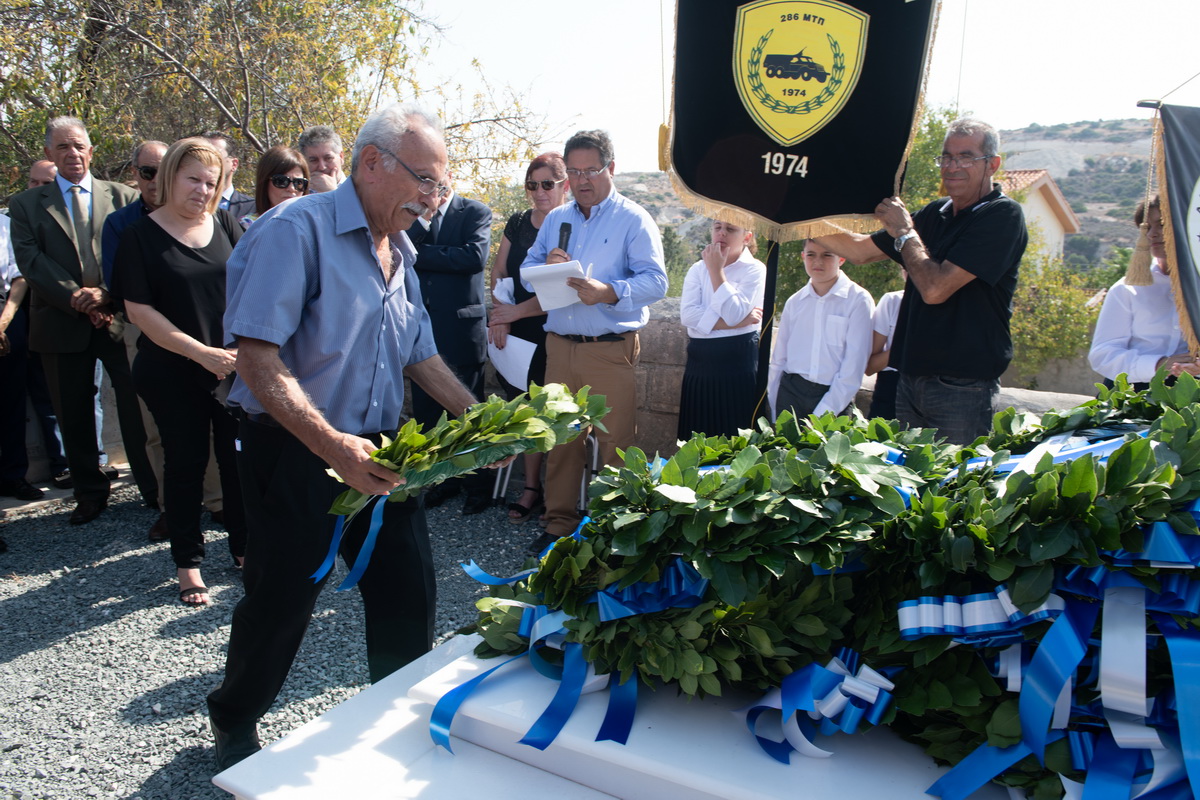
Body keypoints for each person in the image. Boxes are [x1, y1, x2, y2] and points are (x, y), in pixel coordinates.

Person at [206, 102, 502, 771]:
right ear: (372, 164)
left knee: (408, 587)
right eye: (423, 182)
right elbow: (258, 359)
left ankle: (395, 713)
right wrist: (333, 445)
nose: (432, 199)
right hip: (296, 450)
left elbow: (420, 357)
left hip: (383, 450)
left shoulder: (403, 251)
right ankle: (233, 717)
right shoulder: (294, 231)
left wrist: (481, 421)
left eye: (439, 186)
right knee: (282, 599)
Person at [813, 117, 1027, 445]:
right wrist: (793, 215)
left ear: (993, 164)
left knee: (952, 488)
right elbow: (858, 251)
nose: (953, 167)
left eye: (966, 157)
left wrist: (903, 230)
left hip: (962, 388)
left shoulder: (1002, 216)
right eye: (947, 157)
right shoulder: (934, 213)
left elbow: (935, 289)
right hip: (909, 380)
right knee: (907, 485)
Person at [111, 137, 247, 606]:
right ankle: (188, 564)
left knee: (236, 461)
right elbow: (140, 311)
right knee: (186, 463)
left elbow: (250, 285)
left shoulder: (227, 223)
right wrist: (200, 353)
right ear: (170, 177)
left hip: (230, 367)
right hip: (171, 369)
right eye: (193, 179)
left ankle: (244, 550)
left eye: (211, 183)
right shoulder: (139, 236)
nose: (202, 191)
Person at [519, 129, 667, 551]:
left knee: (615, 444)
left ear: (611, 169)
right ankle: (558, 525)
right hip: (560, 347)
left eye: (592, 171)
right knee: (561, 438)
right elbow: (528, 267)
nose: (582, 180)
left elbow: (657, 282)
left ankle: (612, 531)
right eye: (575, 172)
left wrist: (609, 292)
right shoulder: (557, 220)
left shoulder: (634, 219)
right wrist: (545, 262)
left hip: (608, 349)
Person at [9, 116, 157, 524]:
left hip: (118, 319)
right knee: (71, 412)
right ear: (48, 154)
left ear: (91, 151)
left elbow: (135, 252)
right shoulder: (26, 206)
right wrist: (77, 298)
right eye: (62, 147)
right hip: (59, 321)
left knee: (136, 408)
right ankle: (89, 492)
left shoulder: (125, 196)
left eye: (78, 146)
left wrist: (107, 294)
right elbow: (31, 262)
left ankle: (151, 489)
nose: (72, 154)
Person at [488, 152, 569, 522]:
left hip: (548, 327)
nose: (539, 192)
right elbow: (500, 268)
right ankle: (531, 486)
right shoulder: (519, 222)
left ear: (564, 185)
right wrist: (501, 313)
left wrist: (515, 312)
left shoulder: (568, 226)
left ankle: (544, 491)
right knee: (521, 409)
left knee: (541, 410)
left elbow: (562, 290)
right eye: (532, 185)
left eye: (547, 185)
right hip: (513, 328)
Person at [407, 178, 493, 515]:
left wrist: (421, 253)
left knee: (469, 415)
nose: (430, 192)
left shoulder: (474, 211)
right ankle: (444, 481)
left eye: (435, 184)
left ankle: (478, 487)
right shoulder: (415, 217)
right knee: (430, 417)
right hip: (423, 334)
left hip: (461, 333)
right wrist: (423, 223)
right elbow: (401, 250)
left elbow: (473, 257)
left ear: (448, 182)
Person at [1088, 197, 1194, 389]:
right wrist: (1159, 365)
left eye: (1161, 224)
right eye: (1145, 227)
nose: (1152, 234)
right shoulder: (1127, 289)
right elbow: (1103, 354)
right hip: (1132, 395)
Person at [677, 219, 766, 438]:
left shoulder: (755, 270)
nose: (722, 234)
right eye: (717, 228)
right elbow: (688, 316)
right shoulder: (697, 269)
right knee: (697, 440)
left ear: (747, 236)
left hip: (738, 363)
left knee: (734, 438)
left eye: (730, 229)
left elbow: (733, 313)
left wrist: (716, 271)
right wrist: (735, 321)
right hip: (701, 363)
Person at [768, 239, 873, 419]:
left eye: (827, 255)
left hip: (834, 397)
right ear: (803, 257)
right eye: (811, 255)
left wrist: (822, 414)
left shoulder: (858, 300)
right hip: (791, 394)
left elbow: (853, 365)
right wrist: (773, 406)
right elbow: (779, 359)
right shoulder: (795, 302)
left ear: (842, 258)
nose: (818, 261)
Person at [0, 213, 44, 501]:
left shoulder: (5, 224)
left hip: (6, 312)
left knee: (11, 401)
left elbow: (19, 275)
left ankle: (13, 476)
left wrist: (3, 323)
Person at [866, 273, 905, 420]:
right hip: (891, 388)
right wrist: (906, 345)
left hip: (937, 389)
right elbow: (870, 367)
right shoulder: (892, 301)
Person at [241, 146, 309, 225]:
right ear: (264, 183)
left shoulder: (313, 226)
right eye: (281, 181)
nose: (291, 188)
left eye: (299, 183)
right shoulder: (248, 226)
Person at [201, 132, 256, 220]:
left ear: (234, 164)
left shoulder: (253, 208)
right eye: (202, 155)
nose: (209, 160)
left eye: (216, 155)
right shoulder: (185, 202)